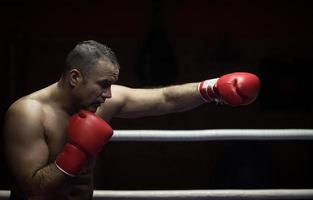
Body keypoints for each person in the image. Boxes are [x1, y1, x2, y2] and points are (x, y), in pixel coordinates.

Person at [3, 40, 260, 199]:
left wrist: (212, 88)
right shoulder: (28, 112)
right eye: (103, 85)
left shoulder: (101, 102)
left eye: (111, 85)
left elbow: (165, 98)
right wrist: (75, 152)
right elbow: (33, 191)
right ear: (74, 78)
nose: (109, 94)